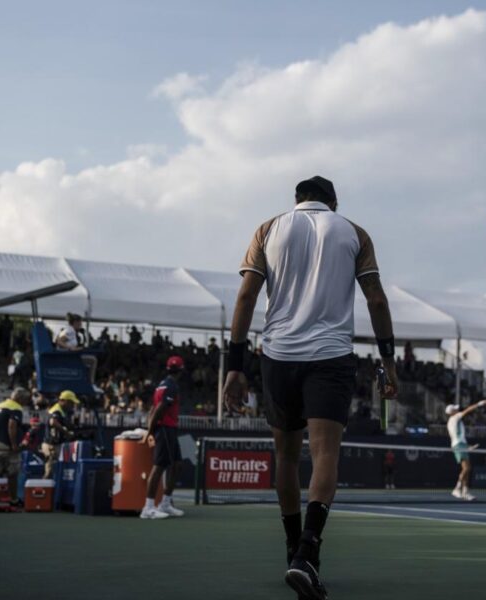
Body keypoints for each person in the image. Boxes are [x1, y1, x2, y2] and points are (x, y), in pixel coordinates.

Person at [223, 175, 398, 600]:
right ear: (333, 202)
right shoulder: (354, 232)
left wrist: (235, 366)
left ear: (297, 200)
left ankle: (292, 549)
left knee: (285, 456)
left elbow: (246, 297)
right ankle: (308, 553)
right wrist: (389, 362)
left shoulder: (268, 228)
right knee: (324, 455)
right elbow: (375, 299)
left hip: (278, 356)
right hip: (330, 356)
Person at [139, 355, 187, 519]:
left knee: (178, 464)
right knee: (159, 467)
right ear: (181, 371)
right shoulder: (171, 386)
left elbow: (153, 409)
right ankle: (148, 507)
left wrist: (150, 429)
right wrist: (150, 432)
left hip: (169, 428)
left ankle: (165, 503)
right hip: (165, 429)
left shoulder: (162, 385)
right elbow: (159, 409)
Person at [0, 387, 30, 511]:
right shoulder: (16, 407)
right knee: (13, 474)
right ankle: (14, 501)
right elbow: (11, 425)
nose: (26, 402)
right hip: (7, 446)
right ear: (20, 398)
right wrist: (14, 444)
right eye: (26, 399)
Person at [445, 400, 486, 501]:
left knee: (467, 469)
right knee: (466, 468)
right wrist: (480, 403)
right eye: (455, 409)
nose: (457, 409)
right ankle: (457, 488)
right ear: (451, 412)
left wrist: (467, 447)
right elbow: (468, 410)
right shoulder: (455, 417)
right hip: (459, 445)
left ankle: (465, 492)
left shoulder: (451, 422)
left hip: (460, 445)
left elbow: (457, 437)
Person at [42, 390, 80, 478]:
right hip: (51, 445)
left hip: (56, 444)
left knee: (55, 470)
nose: (72, 405)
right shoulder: (56, 411)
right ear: (64, 401)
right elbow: (53, 422)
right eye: (71, 403)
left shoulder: (62, 411)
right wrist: (66, 432)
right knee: (50, 471)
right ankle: (45, 489)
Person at [54, 313, 97, 385]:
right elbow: (58, 341)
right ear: (75, 322)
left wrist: (77, 348)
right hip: (69, 357)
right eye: (80, 323)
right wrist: (71, 348)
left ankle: (87, 381)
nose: (81, 325)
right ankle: (91, 383)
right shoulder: (70, 331)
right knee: (93, 360)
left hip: (70, 355)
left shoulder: (70, 330)